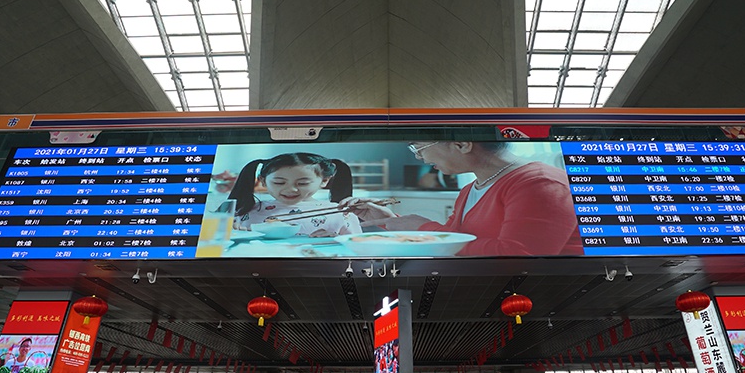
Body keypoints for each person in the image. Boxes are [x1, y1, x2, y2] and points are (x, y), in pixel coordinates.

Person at [341, 141, 581, 256]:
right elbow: (455, 240)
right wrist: (390, 221)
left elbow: (519, 256)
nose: (420, 158)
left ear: (462, 144)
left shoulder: (539, 183)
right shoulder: (472, 188)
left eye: (419, 147)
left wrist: (425, 231)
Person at [226, 152, 362, 237]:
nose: (291, 189)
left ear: (324, 181)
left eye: (302, 183)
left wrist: (337, 241)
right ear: (263, 181)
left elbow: (360, 252)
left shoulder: (341, 213)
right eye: (279, 183)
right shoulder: (245, 211)